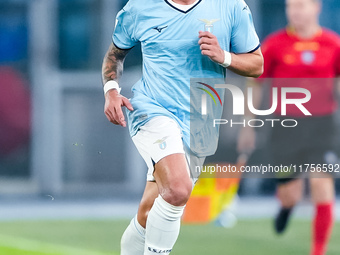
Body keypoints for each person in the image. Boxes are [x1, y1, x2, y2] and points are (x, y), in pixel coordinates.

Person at [103, 0, 263, 254]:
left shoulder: (231, 6)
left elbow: (257, 64)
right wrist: (111, 91)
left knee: (149, 210)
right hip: (151, 108)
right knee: (178, 189)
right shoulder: (140, 7)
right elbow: (115, 54)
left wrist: (224, 57)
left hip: (201, 120)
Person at [237, 0, 340, 254]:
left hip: (322, 126)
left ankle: (318, 250)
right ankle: (286, 206)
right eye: (291, 6)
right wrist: (248, 125)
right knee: (290, 193)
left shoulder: (333, 43)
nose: (295, 11)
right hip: (285, 127)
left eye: (301, 5)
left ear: (316, 8)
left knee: (321, 183)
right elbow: (256, 85)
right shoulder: (274, 44)